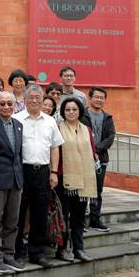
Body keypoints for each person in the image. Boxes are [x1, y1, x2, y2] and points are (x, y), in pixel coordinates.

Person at [14, 85, 63, 268]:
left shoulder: (50, 121)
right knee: (18, 213)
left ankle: (37, 252)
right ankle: (17, 252)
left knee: (40, 214)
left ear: (43, 100)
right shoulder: (16, 119)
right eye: (31, 97)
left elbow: (55, 147)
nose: (34, 100)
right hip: (22, 170)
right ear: (25, 100)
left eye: (38, 97)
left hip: (43, 171)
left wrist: (54, 172)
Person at [0, 92, 25, 273]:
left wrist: (21, 180)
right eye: (3, 104)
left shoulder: (18, 125)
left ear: (15, 106)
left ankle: (9, 255)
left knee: (12, 221)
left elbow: (18, 155)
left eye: (10, 103)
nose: (7, 107)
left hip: (16, 181)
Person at [55, 97, 97, 263]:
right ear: (63, 112)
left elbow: (92, 150)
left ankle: (79, 248)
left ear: (79, 111)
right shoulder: (58, 128)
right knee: (64, 217)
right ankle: (62, 249)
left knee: (78, 218)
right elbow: (55, 152)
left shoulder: (86, 129)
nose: (71, 112)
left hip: (83, 179)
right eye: (67, 110)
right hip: (64, 179)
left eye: (74, 109)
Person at [81, 87, 115, 232]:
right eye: (96, 97)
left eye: (102, 97)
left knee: (97, 190)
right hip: (83, 159)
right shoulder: (82, 115)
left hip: (100, 160)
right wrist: (89, 150)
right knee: (82, 191)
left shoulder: (108, 117)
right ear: (90, 98)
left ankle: (95, 220)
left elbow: (110, 137)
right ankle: (80, 221)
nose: (99, 100)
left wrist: (96, 149)